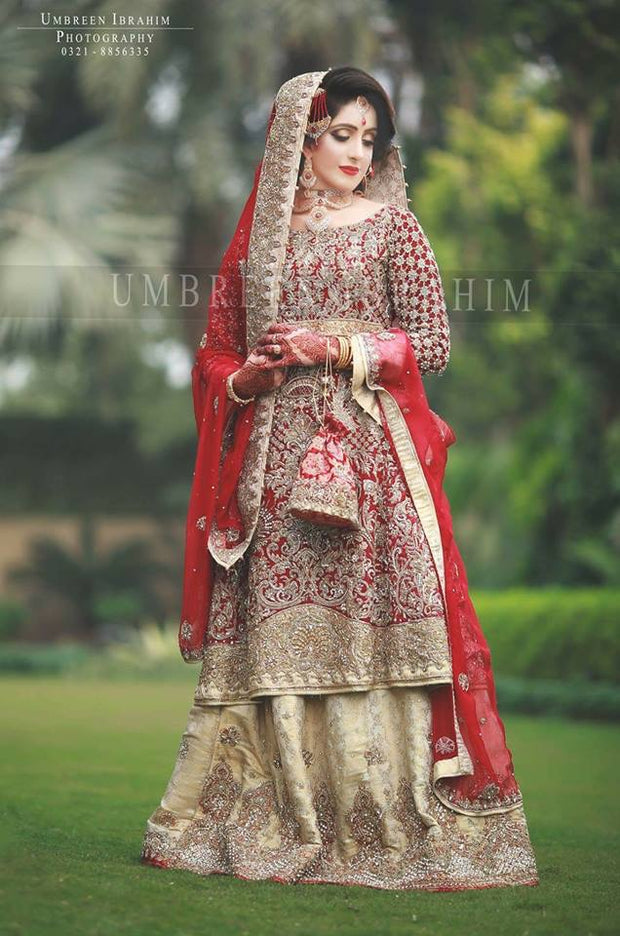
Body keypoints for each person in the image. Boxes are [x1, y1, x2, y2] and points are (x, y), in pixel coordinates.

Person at [140, 66, 539, 891]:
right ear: (301, 137)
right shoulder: (259, 244)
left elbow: (430, 344)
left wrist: (339, 349)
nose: (358, 152)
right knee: (279, 636)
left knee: (370, 625)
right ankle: (277, 814)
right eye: (341, 134)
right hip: (274, 465)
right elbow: (215, 349)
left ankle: (384, 823)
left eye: (370, 137)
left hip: (369, 461)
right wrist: (243, 380)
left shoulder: (394, 228)